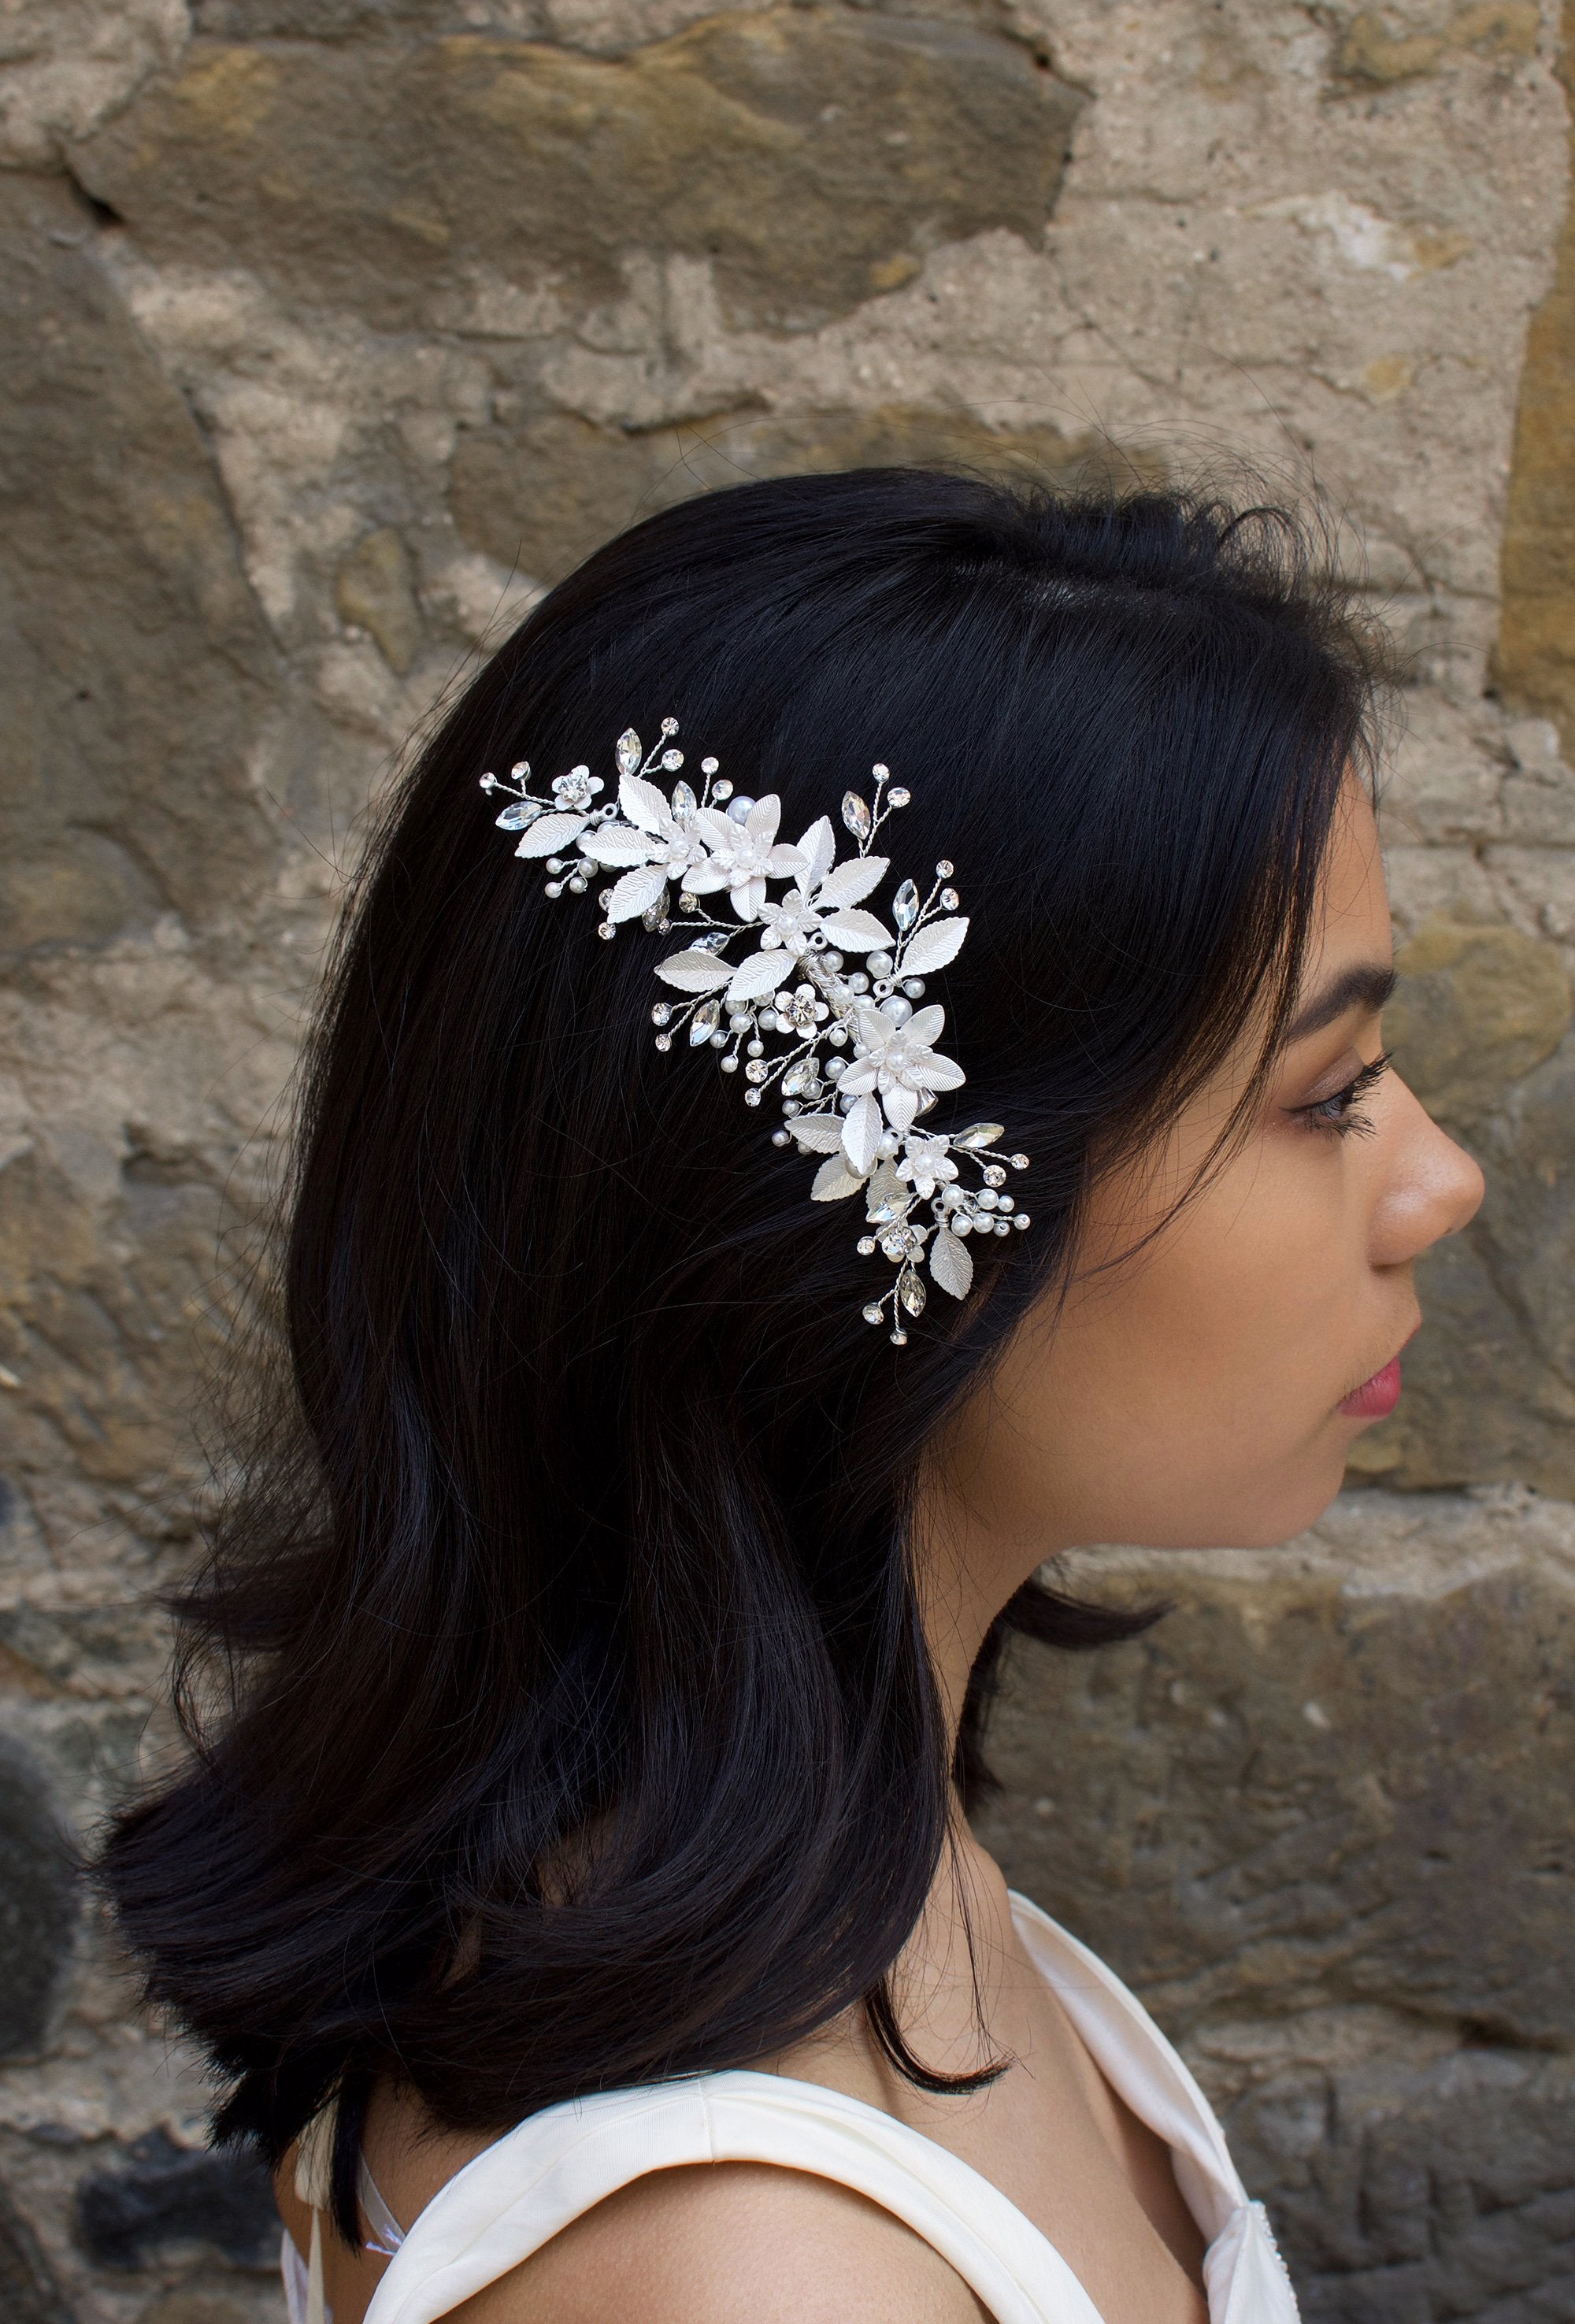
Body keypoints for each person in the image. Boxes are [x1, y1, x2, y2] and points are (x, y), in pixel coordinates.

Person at [101, 472, 1483, 2324]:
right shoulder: (759, 2276)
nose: (1438, 1181)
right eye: (1326, 1091)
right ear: (874, 1214)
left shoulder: (799, 1896)